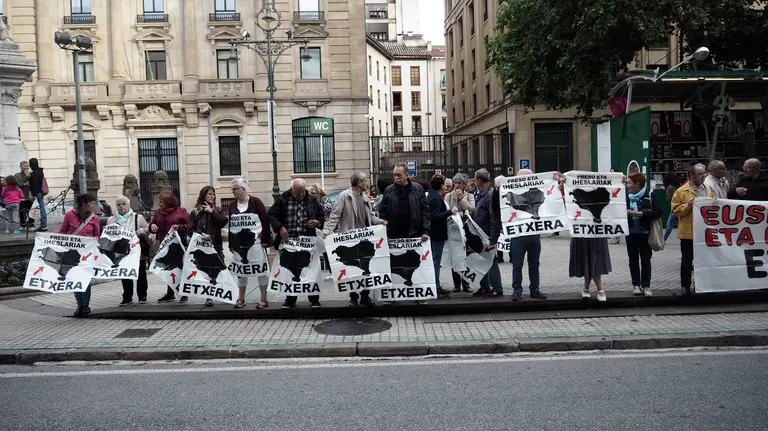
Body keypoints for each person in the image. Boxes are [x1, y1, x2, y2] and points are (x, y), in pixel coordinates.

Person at [323, 171, 385, 307]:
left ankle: (365, 296)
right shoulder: (344, 196)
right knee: (352, 269)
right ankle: (353, 297)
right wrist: (327, 232)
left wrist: (382, 222)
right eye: (365, 180)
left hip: (364, 240)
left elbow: (371, 217)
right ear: (358, 183)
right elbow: (335, 215)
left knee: (367, 268)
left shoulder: (365, 198)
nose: (367, 183)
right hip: (349, 240)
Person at [376, 163, 430, 304]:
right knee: (393, 265)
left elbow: (425, 211)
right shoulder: (389, 190)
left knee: (415, 264)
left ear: (407, 175)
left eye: (399, 175)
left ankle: (419, 294)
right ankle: (391, 295)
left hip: (413, 233)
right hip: (394, 234)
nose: (396, 178)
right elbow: (383, 213)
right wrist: (384, 232)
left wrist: (425, 231)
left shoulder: (418, 189)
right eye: (394, 175)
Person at [269, 178, 324, 309]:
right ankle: (290, 299)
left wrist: (318, 222)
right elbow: (271, 214)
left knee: (310, 269)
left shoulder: (311, 199)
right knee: (290, 270)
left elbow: (322, 215)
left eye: (302, 192)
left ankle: (314, 299)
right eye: (298, 192)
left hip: (307, 241)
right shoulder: (283, 199)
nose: (301, 195)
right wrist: (280, 227)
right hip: (290, 241)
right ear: (292, 190)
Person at [229, 178, 271, 309]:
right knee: (241, 269)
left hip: (256, 244)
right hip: (238, 245)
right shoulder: (232, 205)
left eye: (235, 189)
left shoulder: (255, 202)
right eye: (233, 190)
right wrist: (231, 244)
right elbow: (231, 226)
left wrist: (265, 240)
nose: (233, 192)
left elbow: (265, 221)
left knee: (260, 269)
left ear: (243, 189)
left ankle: (264, 298)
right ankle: (241, 298)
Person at [672, 164, 714, 295]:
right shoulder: (681, 191)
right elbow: (675, 211)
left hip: (704, 232)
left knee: (704, 260)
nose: (704, 176)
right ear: (691, 176)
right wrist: (688, 205)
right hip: (688, 233)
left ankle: (702, 285)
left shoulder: (707, 189)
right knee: (687, 260)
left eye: (704, 173)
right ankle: (685, 285)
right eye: (701, 174)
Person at [507, 169, 548, 301]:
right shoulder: (511, 193)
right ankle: (517, 290)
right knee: (517, 264)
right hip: (518, 235)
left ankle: (534, 289)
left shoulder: (538, 192)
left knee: (534, 264)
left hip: (533, 234)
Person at [58, 193, 100, 317]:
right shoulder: (70, 215)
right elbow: (63, 231)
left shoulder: (94, 218)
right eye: (90, 203)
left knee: (85, 279)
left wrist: (95, 240)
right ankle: (79, 305)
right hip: (72, 252)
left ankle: (85, 306)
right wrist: (49, 237)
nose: (92, 206)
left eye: (94, 203)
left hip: (87, 253)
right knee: (75, 278)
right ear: (82, 204)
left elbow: (97, 234)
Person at [188, 186, 228, 307]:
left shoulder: (218, 209)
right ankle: (209, 296)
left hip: (215, 246)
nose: (212, 196)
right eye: (210, 194)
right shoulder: (195, 212)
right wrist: (201, 235)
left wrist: (212, 212)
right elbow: (190, 230)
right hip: (201, 247)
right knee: (206, 272)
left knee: (219, 270)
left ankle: (224, 292)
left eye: (213, 194)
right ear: (203, 195)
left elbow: (222, 222)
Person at [108, 196, 150, 306]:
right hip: (121, 252)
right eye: (118, 204)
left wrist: (142, 231)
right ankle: (127, 297)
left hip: (137, 250)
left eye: (123, 204)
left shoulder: (138, 217)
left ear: (129, 205)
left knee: (140, 273)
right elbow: (108, 235)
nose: (121, 206)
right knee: (125, 273)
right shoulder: (111, 219)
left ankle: (142, 296)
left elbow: (147, 230)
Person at [625, 172, 662, 297]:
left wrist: (643, 214)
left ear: (637, 184)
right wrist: (627, 212)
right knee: (633, 260)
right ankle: (636, 285)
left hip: (645, 233)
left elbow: (658, 211)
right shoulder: (627, 197)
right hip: (631, 233)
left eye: (630, 183)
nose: (627, 186)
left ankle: (646, 286)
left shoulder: (650, 195)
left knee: (646, 260)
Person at [151, 192, 191, 303]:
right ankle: (170, 293)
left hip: (178, 245)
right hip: (165, 245)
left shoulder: (180, 212)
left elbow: (189, 225)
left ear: (168, 202)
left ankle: (183, 293)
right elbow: (153, 224)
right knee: (168, 269)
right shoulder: (158, 213)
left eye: (161, 201)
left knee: (179, 268)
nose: (159, 204)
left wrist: (179, 227)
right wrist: (152, 226)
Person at [472, 169, 504, 298]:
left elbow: (494, 218)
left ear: (479, 181)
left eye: (475, 180)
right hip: (479, 234)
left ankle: (497, 288)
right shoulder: (479, 193)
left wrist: (493, 238)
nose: (474, 182)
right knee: (481, 262)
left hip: (487, 234)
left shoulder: (490, 195)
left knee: (491, 261)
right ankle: (485, 287)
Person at [444, 173, 475, 292]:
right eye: (455, 182)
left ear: (464, 184)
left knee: (466, 256)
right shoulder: (448, 196)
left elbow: (472, 209)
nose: (457, 185)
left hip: (466, 229)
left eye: (460, 183)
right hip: (454, 229)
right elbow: (447, 211)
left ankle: (466, 284)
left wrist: (461, 198)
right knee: (455, 256)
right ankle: (457, 284)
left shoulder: (469, 196)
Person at [426, 174, 455, 299]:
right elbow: (435, 216)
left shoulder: (432, 196)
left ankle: (435, 286)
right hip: (437, 234)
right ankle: (435, 287)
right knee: (435, 262)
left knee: (435, 261)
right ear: (442, 185)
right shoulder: (436, 198)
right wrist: (450, 212)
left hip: (435, 233)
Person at [28, 158, 47, 232]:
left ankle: (43, 225)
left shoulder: (34, 173)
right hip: (41, 192)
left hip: (38, 193)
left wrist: (33, 194)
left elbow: (35, 185)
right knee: (42, 209)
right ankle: (44, 225)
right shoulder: (40, 172)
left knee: (41, 209)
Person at [662, 173, 681, 241]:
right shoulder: (680, 186)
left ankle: (663, 239)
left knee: (669, 224)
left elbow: (669, 199)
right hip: (681, 207)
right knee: (680, 224)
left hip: (674, 208)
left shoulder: (670, 188)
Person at [14, 161, 33, 228]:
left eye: (27, 166)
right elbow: (17, 184)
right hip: (22, 196)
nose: (26, 167)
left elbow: (33, 183)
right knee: (21, 211)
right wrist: (24, 184)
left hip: (30, 196)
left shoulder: (31, 174)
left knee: (31, 211)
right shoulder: (17, 175)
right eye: (24, 166)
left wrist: (28, 176)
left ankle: (31, 225)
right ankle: (22, 225)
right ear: (21, 167)